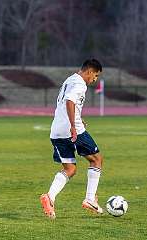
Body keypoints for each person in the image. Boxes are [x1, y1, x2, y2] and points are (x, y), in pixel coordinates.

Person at [40, 59, 104, 219]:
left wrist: (77, 117)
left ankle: (50, 196)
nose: (94, 79)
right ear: (89, 71)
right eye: (95, 75)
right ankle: (90, 199)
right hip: (71, 130)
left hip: (57, 131)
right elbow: (69, 101)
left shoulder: (69, 80)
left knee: (70, 169)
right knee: (96, 159)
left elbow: (64, 103)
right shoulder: (80, 84)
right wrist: (74, 125)